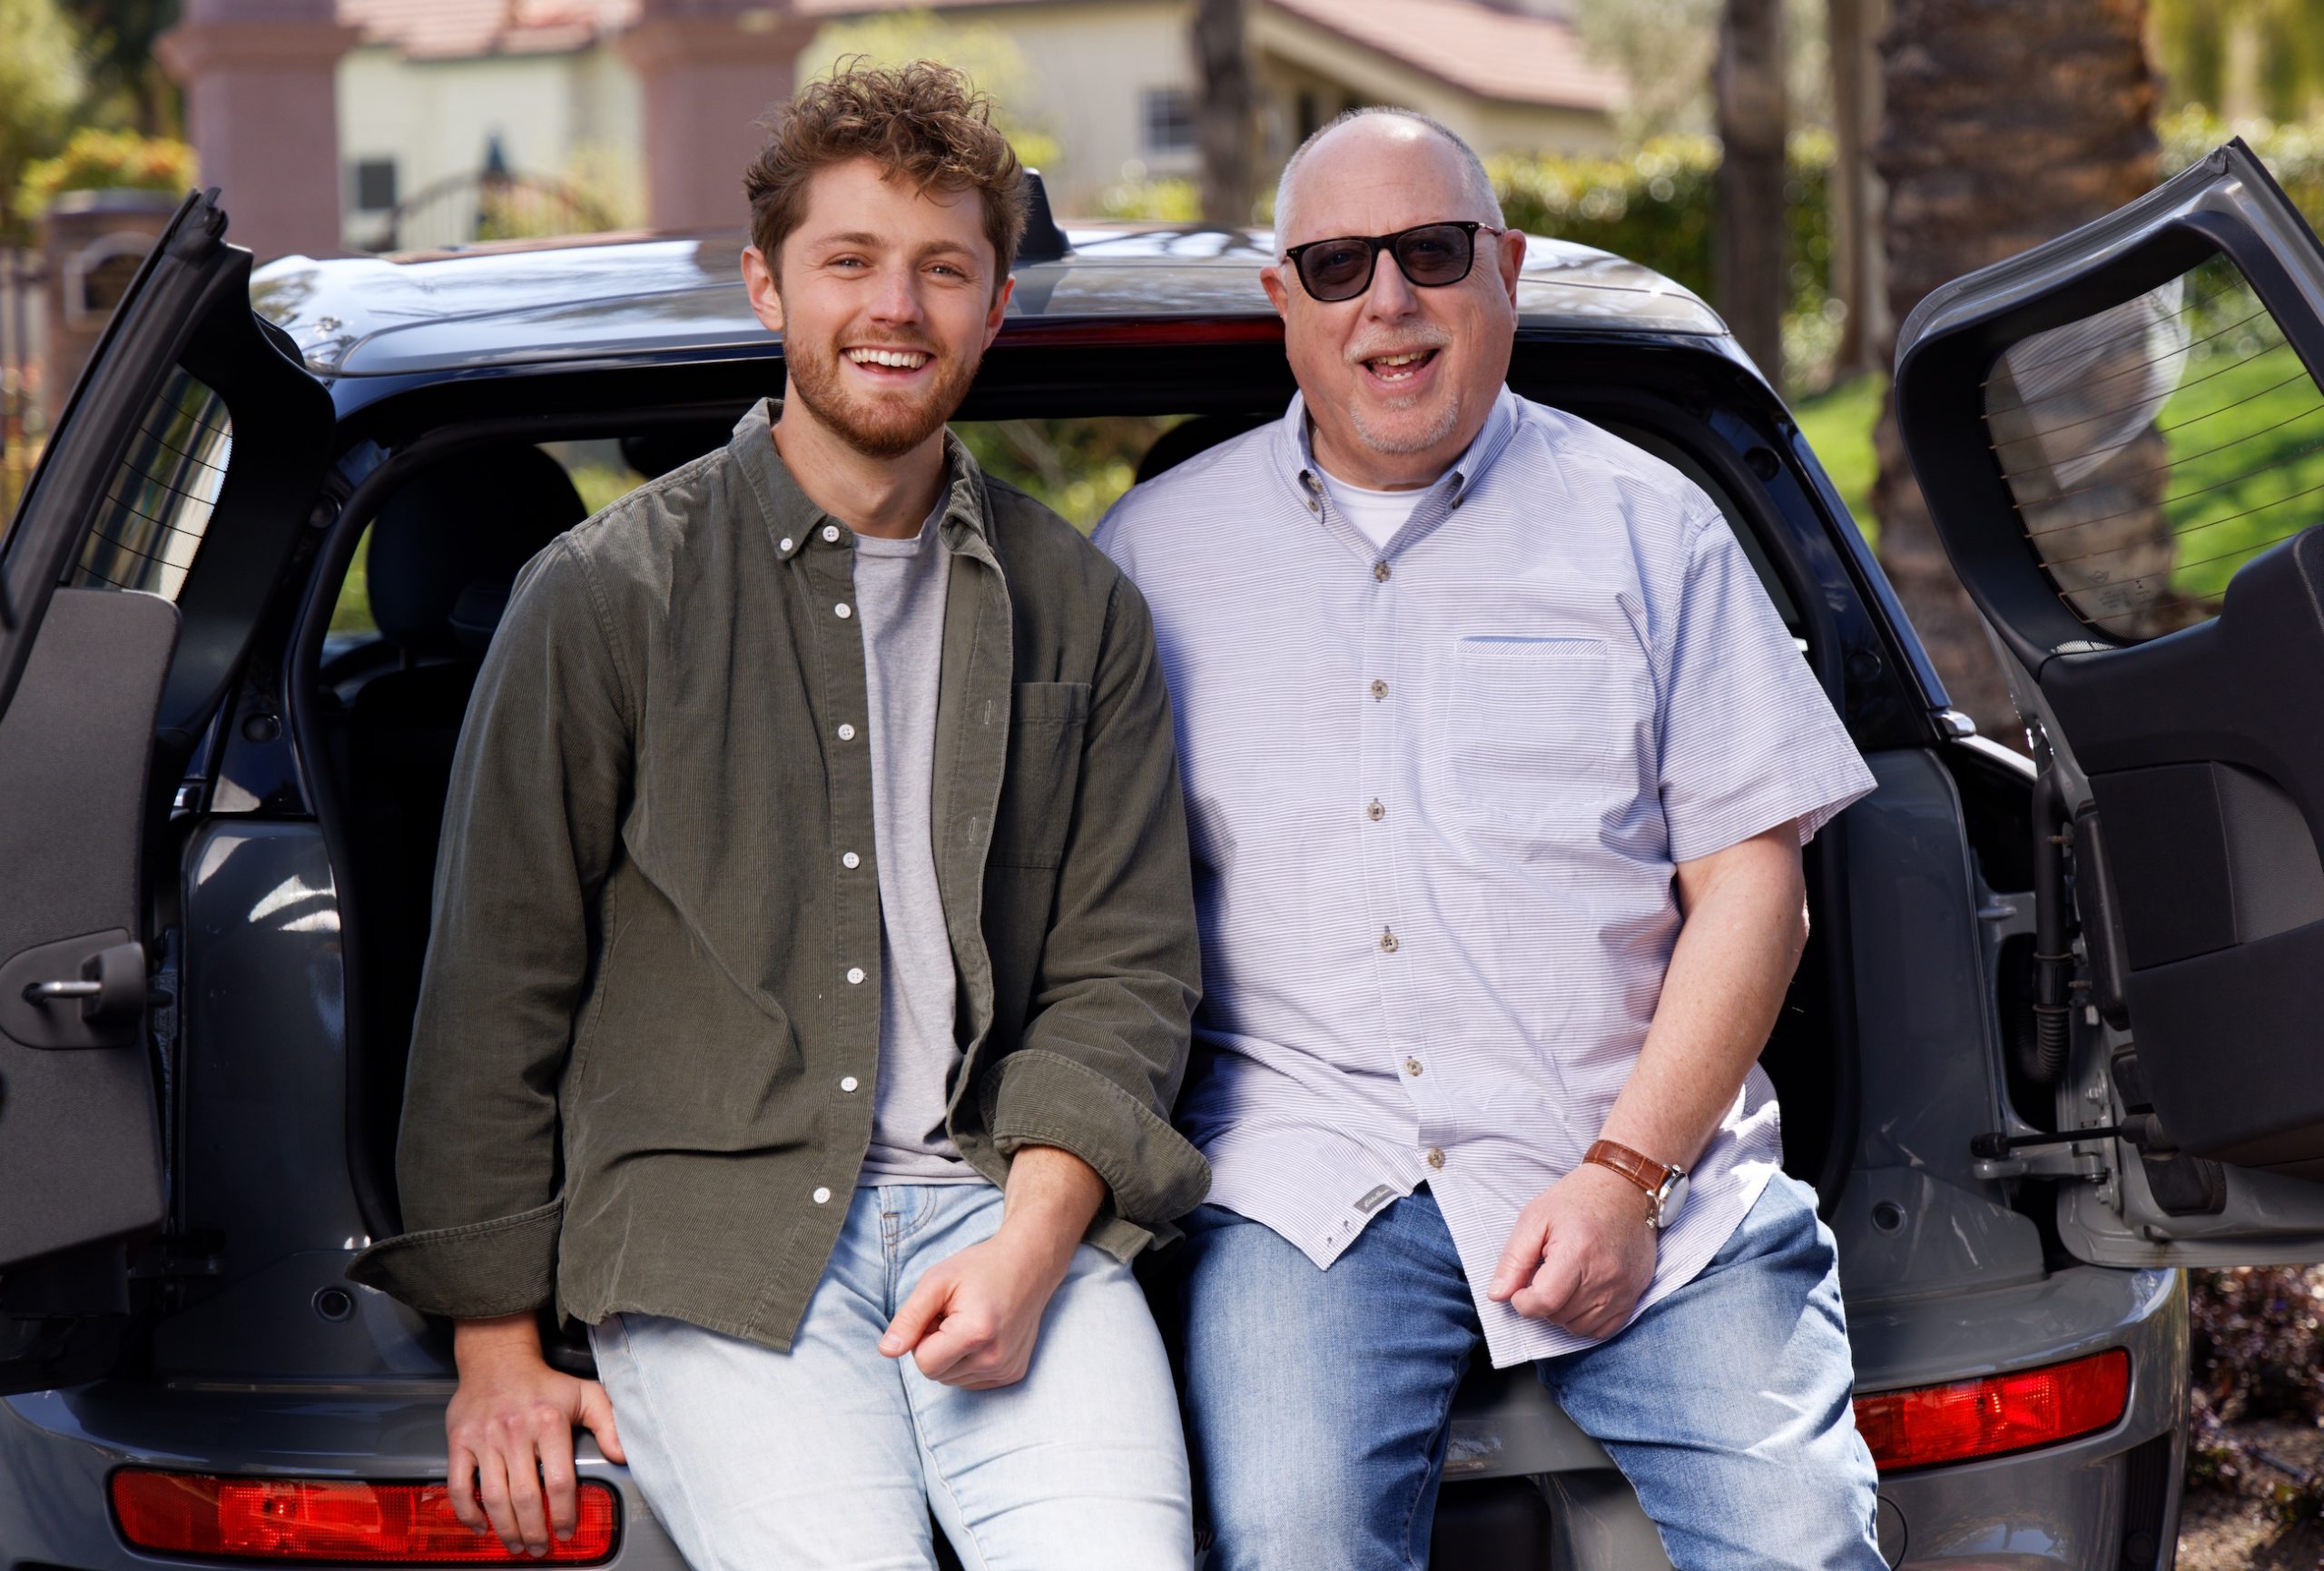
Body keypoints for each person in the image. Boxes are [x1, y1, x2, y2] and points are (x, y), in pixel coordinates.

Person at [350, 61, 1207, 1571]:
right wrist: (494, 1345)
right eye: (852, 261)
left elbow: (1124, 977)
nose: (899, 307)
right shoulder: (608, 597)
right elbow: (498, 985)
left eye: (946, 269)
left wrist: (1033, 1244)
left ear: (995, 306)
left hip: (1002, 1214)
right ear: (769, 286)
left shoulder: (1085, 610)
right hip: (709, 1240)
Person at [1096, 106, 1886, 1571]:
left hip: (1643, 1156)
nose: (1386, 300)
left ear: (1504, 269)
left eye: (1431, 252)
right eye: (1335, 265)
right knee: (1289, 1542)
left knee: (1805, 1539)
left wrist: (1625, 1173)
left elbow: (1754, 895)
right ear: (1286, 306)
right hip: (1307, 1179)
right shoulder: (1149, 559)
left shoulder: (1656, 530)